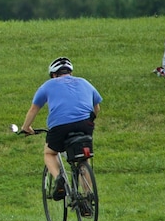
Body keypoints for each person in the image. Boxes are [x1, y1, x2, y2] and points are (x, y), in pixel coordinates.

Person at [20, 57, 103, 201]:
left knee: (50, 153)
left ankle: (59, 178)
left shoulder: (48, 85)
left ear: (53, 74)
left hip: (60, 126)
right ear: (70, 72)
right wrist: (88, 121)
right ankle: (88, 198)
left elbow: (34, 109)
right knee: (83, 158)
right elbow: (97, 108)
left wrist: (26, 127)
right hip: (85, 124)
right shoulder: (84, 82)